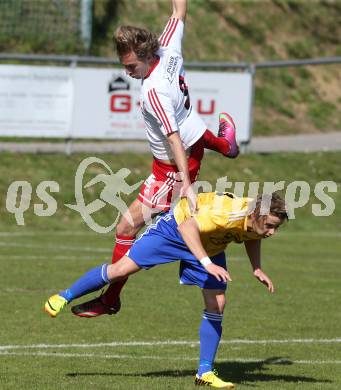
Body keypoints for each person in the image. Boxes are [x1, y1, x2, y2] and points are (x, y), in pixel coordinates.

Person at [71, 0, 239, 318]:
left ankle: (111, 298)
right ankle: (227, 146)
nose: (128, 72)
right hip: (193, 140)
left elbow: (173, 138)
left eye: (131, 67)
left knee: (125, 228)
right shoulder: (168, 49)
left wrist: (186, 184)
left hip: (172, 171)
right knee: (197, 136)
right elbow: (178, 12)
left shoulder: (153, 91)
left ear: (147, 57)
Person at [44, 191, 288, 388]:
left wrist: (256, 267)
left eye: (275, 228)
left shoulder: (254, 219)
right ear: (257, 214)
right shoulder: (224, 214)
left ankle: (204, 373)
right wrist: (206, 263)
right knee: (120, 270)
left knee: (217, 304)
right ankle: (63, 296)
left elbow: (251, 234)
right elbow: (187, 229)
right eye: (269, 225)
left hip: (208, 247)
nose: (272, 232)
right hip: (175, 231)